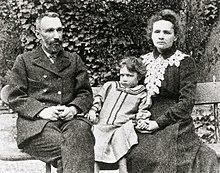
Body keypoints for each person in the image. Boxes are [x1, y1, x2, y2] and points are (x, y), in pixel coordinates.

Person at [126, 9, 218, 173]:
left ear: (175, 36)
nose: (161, 36)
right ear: (151, 35)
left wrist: (157, 123)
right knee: (136, 153)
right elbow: (130, 92)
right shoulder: (142, 62)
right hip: (144, 118)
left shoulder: (184, 62)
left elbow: (186, 102)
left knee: (161, 157)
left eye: (167, 32)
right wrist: (137, 116)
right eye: (157, 31)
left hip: (174, 122)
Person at [7, 12, 94, 173]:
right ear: (37, 33)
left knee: (79, 138)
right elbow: (15, 96)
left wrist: (73, 109)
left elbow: (85, 93)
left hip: (70, 122)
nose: (56, 36)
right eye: (50, 31)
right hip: (36, 127)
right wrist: (42, 111)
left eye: (59, 30)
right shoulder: (25, 60)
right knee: (76, 152)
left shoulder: (73, 59)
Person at [86, 56, 152, 173]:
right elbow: (98, 99)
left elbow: (143, 110)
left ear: (139, 77)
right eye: (122, 75)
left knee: (120, 138)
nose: (124, 79)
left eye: (129, 75)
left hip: (122, 126)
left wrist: (141, 120)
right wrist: (93, 111)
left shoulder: (141, 93)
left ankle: (123, 170)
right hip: (103, 125)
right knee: (96, 137)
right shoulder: (110, 86)